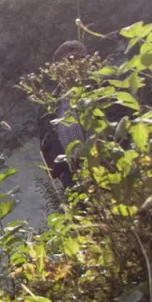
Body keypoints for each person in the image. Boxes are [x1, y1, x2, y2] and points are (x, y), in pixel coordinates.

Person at [38, 40, 88, 190]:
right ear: (56, 69)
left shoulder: (101, 92)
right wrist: (56, 178)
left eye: (79, 59)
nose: (73, 64)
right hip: (70, 178)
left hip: (105, 169)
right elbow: (45, 146)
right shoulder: (48, 106)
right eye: (68, 60)